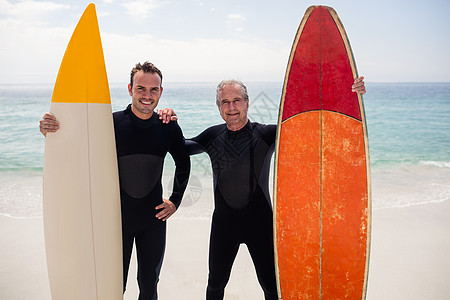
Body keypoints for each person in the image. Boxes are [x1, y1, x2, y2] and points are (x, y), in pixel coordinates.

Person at [159, 76, 366, 299]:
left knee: (271, 287)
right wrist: (168, 123)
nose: (232, 107)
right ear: (218, 106)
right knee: (215, 285)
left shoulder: (266, 134)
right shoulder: (212, 136)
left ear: (247, 102)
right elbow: (180, 148)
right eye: (225, 102)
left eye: (237, 100)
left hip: (261, 224)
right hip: (224, 224)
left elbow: (313, 126)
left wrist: (347, 95)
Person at [40, 62, 191, 300]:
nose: (147, 95)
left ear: (161, 92)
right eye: (141, 88)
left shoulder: (168, 128)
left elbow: (183, 162)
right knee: (113, 286)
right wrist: (51, 130)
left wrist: (175, 202)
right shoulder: (111, 124)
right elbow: (77, 142)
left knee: (149, 284)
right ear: (130, 88)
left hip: (153, 220)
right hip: (115, 221)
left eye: (154, 90)